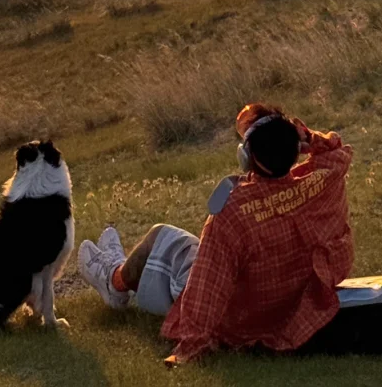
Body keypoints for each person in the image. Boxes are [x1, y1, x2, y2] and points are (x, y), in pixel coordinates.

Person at [77, 102, 354, 365]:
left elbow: (208, 283)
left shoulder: (233, 213)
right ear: (297, 146)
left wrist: (190, 344)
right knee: (183, 253)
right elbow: (336, 148)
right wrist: (309, 137)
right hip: (289, 302)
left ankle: (114, 281)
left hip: (239, 315)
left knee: (163, 237)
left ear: (246, 158)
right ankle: (120, 266)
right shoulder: (323, 181)